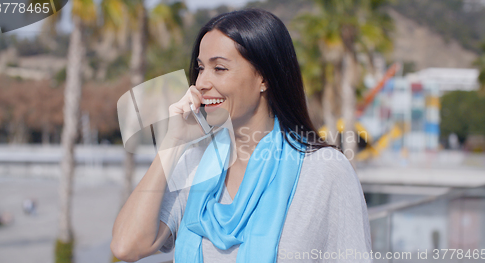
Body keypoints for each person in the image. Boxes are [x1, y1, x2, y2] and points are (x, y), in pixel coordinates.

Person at [111, 9, 371, 263]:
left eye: (219, 69)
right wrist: (173, 142)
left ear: (264, 78)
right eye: (201, 68)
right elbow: (127, 246)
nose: (201, 83)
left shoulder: (325, 171)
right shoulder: (193, 164)